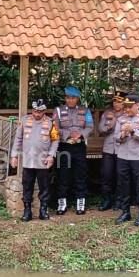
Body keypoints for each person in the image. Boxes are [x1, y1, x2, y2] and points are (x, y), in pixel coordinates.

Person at [10, 99, 59, 221]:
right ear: (32, 110)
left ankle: (43, 210)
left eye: (39, 112)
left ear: (44, 111)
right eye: (35, 111)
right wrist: (14, 156)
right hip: (27, 161)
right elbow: (18, 139)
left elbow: (55, 141)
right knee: (27, 186)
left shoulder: (51, 122)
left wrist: (51, 156)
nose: (37, 114)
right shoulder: (25, 120)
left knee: (45, 186)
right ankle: (27, 211)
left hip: (43, 161)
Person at [52, 86, 94, 215]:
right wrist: (68, 135)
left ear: (78, 99)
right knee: (62, 174)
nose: (71, 100)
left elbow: (90, 126)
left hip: (79, 146)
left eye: (73, 98)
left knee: (80, 175)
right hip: (63, 147)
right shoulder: (58, 111)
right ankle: (62, 203)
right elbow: (55, 127)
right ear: (65, 98)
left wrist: (80, 135)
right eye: (68, 98)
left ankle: (80, 203)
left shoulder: (85, 110)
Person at [113, 94, 139, 226]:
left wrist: (133, 131)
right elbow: (116, 137)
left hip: (138, 158)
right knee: (123, 184)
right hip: (123, 156)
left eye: (130, 107)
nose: (127, 110)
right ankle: (125, 212)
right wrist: (122, 135)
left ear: (138, 105)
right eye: (126, 107)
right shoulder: (121, 118)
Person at [98, 91, 126, 211]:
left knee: (120, 175)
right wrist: (110, 126)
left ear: (124, 102)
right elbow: (100, 129)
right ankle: (106, 200)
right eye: (115, 101)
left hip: (123, 149)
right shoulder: (107, 114)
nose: (116, 104)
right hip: (109, 148)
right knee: (106, 174)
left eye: (119, 101)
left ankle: (119, 200)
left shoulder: (127, 114)